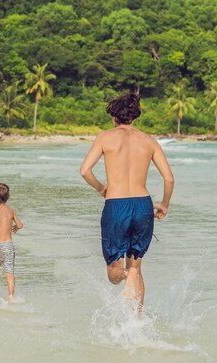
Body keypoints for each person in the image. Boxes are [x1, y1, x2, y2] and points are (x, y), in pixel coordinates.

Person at [80, 92, 174, 310]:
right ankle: (137, 322)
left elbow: (85, 171)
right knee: (137, 268)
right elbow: (169, 178)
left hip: (117, 205)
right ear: (135, 117)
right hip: (143, 205)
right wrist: (164, 204)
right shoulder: (149, 141)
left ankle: (125, 274)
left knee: (114, 274)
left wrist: (101, 188)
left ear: (114, 117)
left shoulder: (105, 137)